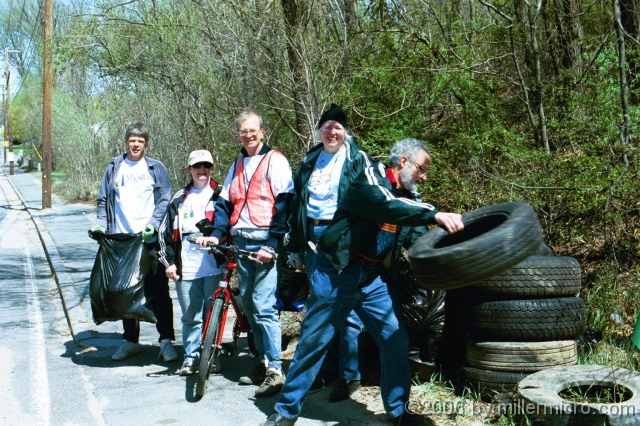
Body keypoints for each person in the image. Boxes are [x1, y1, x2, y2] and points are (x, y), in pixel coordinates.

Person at [263, 139, 464, 426]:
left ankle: (398, 411)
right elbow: (387, 205)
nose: (424, 177)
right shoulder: (368, 178)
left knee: (395, 339)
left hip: (372, 280)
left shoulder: (407, 199)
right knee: (313, 344)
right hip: (336, 274)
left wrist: (458, 252)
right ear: (404, 162)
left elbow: (418, 237)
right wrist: (435, 213)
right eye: (422, 169)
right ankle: (285, 411)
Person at [198, 111, 294, 397]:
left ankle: (276, 369)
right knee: (250, 308)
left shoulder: (275, 160)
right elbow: (226, 202)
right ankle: (263, 362)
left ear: (262, 132)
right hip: (242, 242)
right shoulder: (237, 163)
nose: (248, 136)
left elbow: (285, 202)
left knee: (264, 308)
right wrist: (215, 234)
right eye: (243, 132)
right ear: (238, 134)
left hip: (264, 244)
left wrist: (273, 243)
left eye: (253, 131)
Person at [286, 103, 369, 402]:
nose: (332, 131)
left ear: (345, 132)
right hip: (312, 236)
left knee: (344, 309)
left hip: (343, 237)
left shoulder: (357, 159)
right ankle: (324, 372)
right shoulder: (310, 160)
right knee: (320, 305)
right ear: (319, 130)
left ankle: (349, 376)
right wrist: (295, 244)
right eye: (327, 126)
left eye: (338, 127)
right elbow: (297, 205)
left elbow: (371, 198)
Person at [91, 122, 178, 362]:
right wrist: (100, 223)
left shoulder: (155, 168)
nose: (136, 144)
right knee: (124, 291)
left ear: (145, 143)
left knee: (159, 291)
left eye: (140, 140)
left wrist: (153, 222)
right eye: (132, 140)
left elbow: (165, 199)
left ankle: (166, 342)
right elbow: (102, 200)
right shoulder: (114, 167)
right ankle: (130, 341)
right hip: (121, 240)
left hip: (149, 239)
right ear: (126, 142)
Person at [157, 150, 223, 376]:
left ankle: (211, 356)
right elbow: (164, 233)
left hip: (214, 265)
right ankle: (191, 357)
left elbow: (229, 227)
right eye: (197, 167)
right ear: (190, 170)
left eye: (207, 166)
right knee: (190, 314)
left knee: (212, 315)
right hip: (187, 264)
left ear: (212, 168)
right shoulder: (179, 197)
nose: (202, 171)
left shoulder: (221, 194)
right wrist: (170, 262)